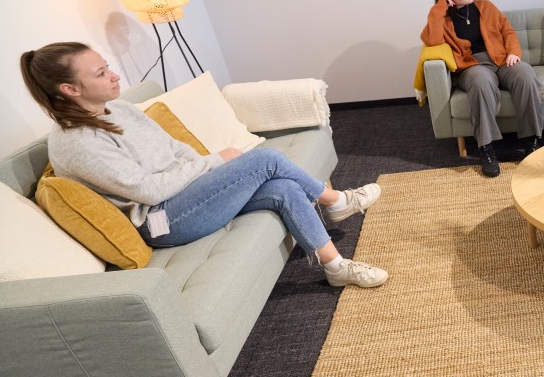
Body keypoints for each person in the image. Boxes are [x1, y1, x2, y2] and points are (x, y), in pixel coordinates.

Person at [20, 42, 388, 289]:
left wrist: (207, 168)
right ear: (70, 89)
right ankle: (337, 202)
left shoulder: (121, 109)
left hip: (186, 197)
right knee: (265, 158)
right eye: (100, 73)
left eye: (107, 67)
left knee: (284, 188)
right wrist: (215, 163)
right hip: (160, 221)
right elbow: (149, 191)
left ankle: (335, 268)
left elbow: (175, 149)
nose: (114, 76)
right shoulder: (75, 142)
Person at [420, 0, 544, 178]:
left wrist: (514, 52)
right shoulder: (444, 20)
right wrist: (441, 7)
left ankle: (531, 141)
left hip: (501, 59)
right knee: (480, 82)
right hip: (472, 66)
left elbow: (508, 31)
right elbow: (431, 39)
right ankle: (487, 149)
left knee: (525, 74)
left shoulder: (485, 6)